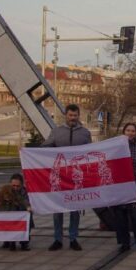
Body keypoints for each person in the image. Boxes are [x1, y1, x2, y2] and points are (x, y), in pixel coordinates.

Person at [42, 104, 92, 251]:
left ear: (78, 115)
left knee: (75, 209)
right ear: (66, 115)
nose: (73, 118)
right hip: (60, 176)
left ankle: (73, 238)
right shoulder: (56, 132)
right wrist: (29, 151)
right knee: (57, 209)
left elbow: (90, 152)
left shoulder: (85, 133)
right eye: (70, 115)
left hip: (76, 177)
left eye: (75, 115)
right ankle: (58, 239)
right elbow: (46, 146)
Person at [113, 123, 136, 253]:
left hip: (135, 189)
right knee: (121, 218)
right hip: (120, 189)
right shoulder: (116, 148)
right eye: (128, 130)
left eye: (133, 131)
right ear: (124, 132)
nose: (130, 133)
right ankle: (124, 243)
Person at [1, 173, 33, 251]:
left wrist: (27, 207)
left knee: (28, 217)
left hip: (21, 212)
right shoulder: (5, 191)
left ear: (22, 185)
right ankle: (8, 240)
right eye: (13, 185)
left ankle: (24, 242)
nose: (15, 188)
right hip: (9, 213)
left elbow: (26, 202)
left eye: (18, 186)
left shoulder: (26, 193)